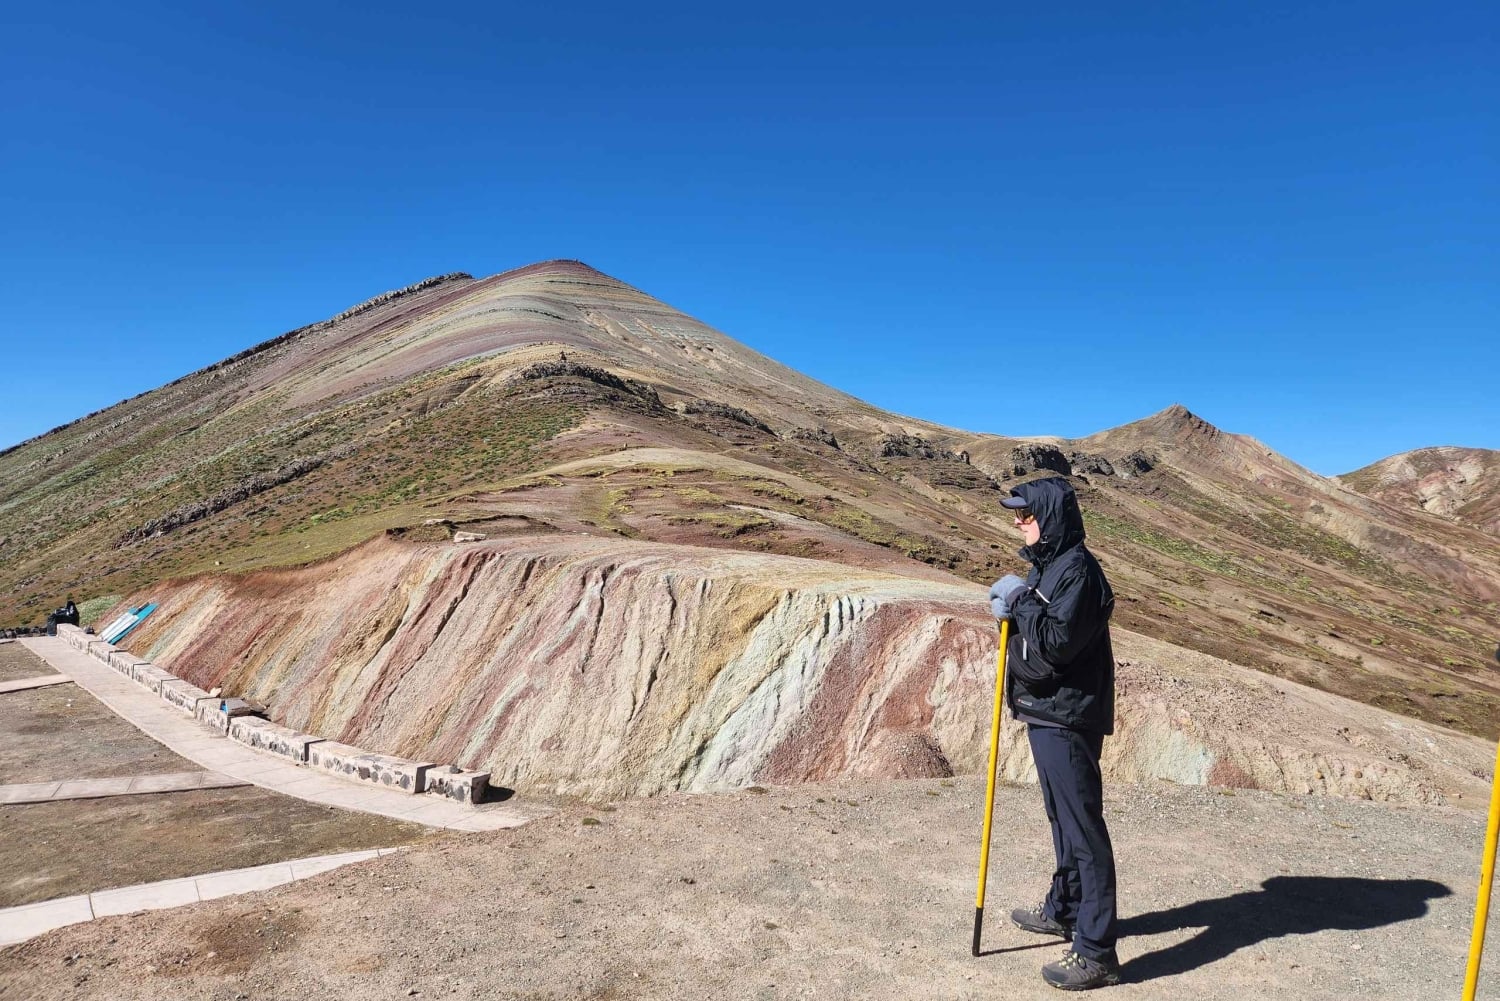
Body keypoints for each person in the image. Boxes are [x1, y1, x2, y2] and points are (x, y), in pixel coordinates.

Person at [989, 475, 1120, 990]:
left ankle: (1096, 949)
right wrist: (1022, 598)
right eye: (1016, 514)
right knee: (1063, 821)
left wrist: (1019, 601)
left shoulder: (1078, 572)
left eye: (1026, 513)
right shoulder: (1052, 565)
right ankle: (1065, 909)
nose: (1018, 521)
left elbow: (1055, 646)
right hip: (1048, 712)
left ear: (1051, 517)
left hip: (1067, 715)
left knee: (1083, 829)